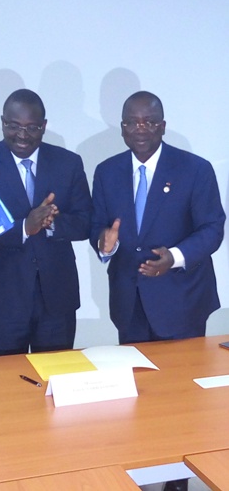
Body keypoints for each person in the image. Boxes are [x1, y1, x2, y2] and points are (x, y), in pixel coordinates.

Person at [91, 90, 225, 491]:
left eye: (149, 122)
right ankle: (144, 469)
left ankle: (178, 480)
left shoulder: (194, 169)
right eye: (132, 122)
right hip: (129, 301)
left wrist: (176, 257)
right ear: (121, 128)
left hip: (182, 300)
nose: (140, 129)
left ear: (163, 126)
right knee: (138, 395)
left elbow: (213, 228)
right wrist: (104, 244)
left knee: (180, 399)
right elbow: (99, 227)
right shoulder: (107, 171)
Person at [0, 89, 92, 356]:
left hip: (56, 299)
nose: (22, 135)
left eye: (32, 127)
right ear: (2, 122)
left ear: (44, 126)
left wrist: (51, 223)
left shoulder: (68, 163)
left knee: (56, 375)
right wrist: (24, 227)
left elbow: (85, 222)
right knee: (5, 378)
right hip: (1, 299)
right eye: (14, 126)